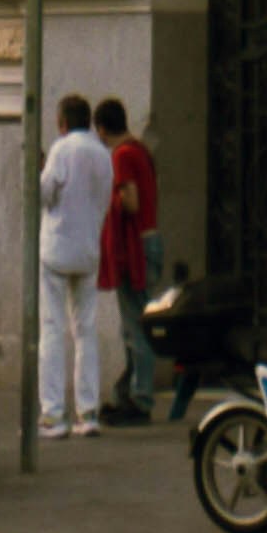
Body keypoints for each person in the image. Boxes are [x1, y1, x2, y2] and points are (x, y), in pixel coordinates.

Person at [38, 88, 113, 438]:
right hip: (87, 249)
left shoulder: (61, 149)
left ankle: (53, 414)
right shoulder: (102, 154)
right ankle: (88, 411)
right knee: (86, 330)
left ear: (63, 122)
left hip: (56, 249)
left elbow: (45, 193)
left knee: (52, 329)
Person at [95, 97, 161, 427]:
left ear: (102, 129)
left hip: (135, 245)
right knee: (138, 322)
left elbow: (130, 201)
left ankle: (140, 398)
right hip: (151, 240)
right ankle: (130, 391)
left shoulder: (121, 156)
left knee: (135, 326)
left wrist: (112, 202)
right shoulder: (140, 151)